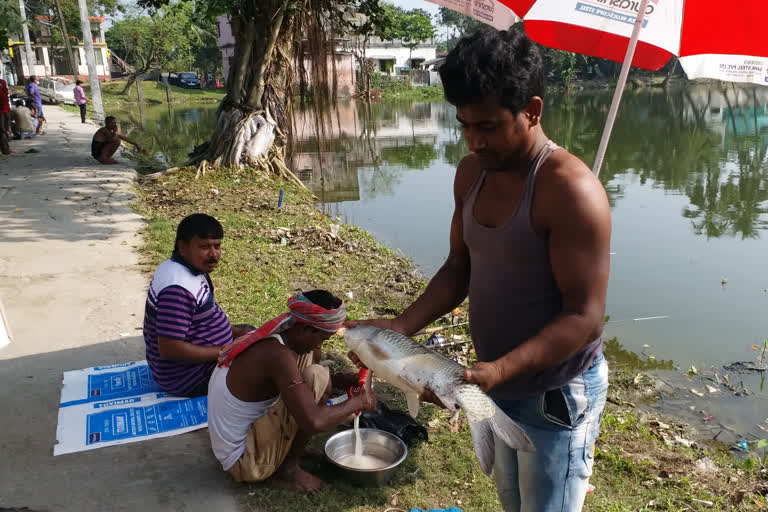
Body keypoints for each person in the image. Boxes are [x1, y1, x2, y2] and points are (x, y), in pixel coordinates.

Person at [347, 30, 611, 512]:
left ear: (532, 110)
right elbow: (458, 267)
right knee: (513, 502)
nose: (473, 141)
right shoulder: (471, 173)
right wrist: (401, 328)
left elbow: (584, 318)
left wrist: (500, 369)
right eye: (465, 124)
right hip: (492, 382)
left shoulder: (570, 191)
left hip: (554, 393)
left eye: (487, 126)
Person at [208, 290, 375, 493]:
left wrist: (338, 380)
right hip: (244, 461)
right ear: (303, 328)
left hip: (238, 440)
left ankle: (289, 449)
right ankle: (287, 470)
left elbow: (284, 379)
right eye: (322, 338)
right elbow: (314, 421)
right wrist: (358, 402)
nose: (320, 345)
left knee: (314, 364)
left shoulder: (280, 338)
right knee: (317, 376)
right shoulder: (277, 356)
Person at [143, 213, 255, 397]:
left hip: (205, 360)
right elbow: (170, 348)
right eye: (204, 247)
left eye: (217, 246)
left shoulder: (192, 268)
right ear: (182, 248)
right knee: (266, 364)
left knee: (255, 335)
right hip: (189, 378)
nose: (214, 255)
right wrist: (224, 351)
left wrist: (235, 332)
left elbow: (206, 315)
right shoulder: (177, 289)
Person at [0, 78, 9, 155]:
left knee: (2, 130)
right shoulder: (2, 82)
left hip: (3, 109)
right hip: (4, 109)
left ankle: (5, 149)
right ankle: (5, 149)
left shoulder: (2, 82)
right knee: (3, 130)